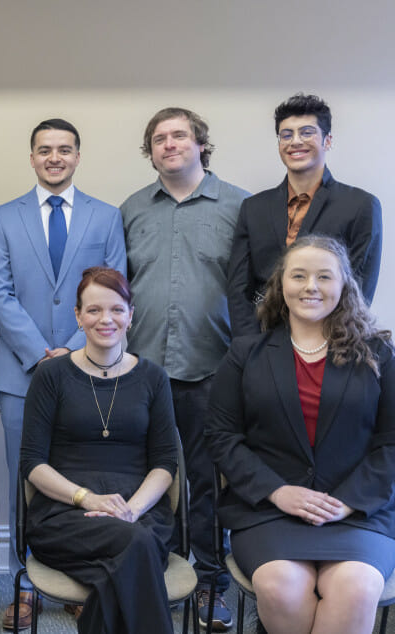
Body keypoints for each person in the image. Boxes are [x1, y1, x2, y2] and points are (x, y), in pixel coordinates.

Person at [207, 235, 395, 634]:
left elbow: (391, 442)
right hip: (268, 512)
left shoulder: (378, 355)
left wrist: (347, 502)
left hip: (357, 514)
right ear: (281, 285)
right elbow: (222, 437)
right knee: (282, 588)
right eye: (299, 275)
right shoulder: (244, 354)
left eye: (324, 276)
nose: (311, 286)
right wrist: (277, 491)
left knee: (356, 588)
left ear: (344, 286)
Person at [0, 118, 126, 630]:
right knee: (27, 476)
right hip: (20, 372)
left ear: (77, 156)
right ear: (32, 158)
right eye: (45, 150)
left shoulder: (106, 217)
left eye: (64, 149)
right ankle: (23, 583)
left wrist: (70, 351)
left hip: (90, 370)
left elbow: (112, 290)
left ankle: (79, 580)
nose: (54, 158)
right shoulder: (3, 217)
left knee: (79, 476)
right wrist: (43, 354)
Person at [119, 106, 250, 630]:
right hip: (141, 370)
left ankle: (212, 583)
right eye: (158, 138)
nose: (169, 144)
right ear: (149, 151)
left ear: (201, 144)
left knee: (207, 480)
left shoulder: (240, 207)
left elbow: (259, 287)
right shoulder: (130, 210)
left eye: (179, 136)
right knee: (147, 476)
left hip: (214, 367)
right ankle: (157, 571)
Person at [19, 266, 177, 633]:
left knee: (128, 552)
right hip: (65, 513)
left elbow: (165, 461)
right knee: (137, 549)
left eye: (117, 309)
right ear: (78, 316)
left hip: (140, 511)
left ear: (131, 315)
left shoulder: (153, 377)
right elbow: (32, 462)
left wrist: (131, 510)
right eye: (93, 310)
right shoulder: (51, 375)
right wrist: (87, 499)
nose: (106, 319)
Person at [227, 93, 382, 339]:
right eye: (286, 135)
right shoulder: (253, 207)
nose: (295, 141)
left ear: (327, 140)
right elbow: (238, 287)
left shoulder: (360, 205)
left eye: (307, 132)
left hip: (330, 343)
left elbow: (359, 289)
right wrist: (249, 344)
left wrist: (325, 343)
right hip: (263, 341)